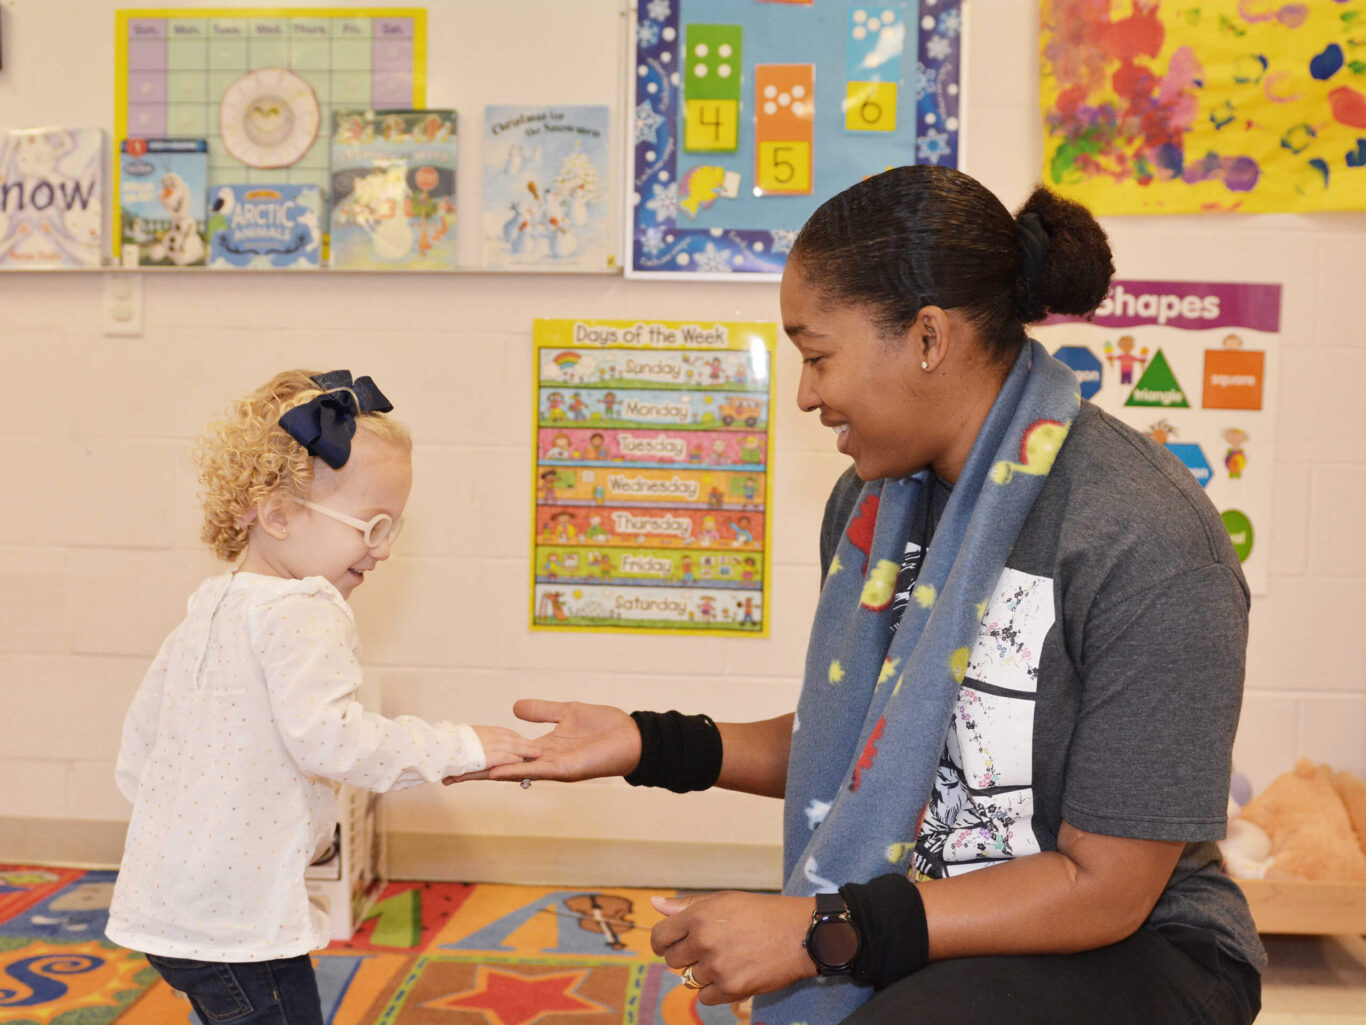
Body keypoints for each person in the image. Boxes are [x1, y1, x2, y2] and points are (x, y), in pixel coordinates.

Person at [466, 166, 1264, 1024]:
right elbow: (867, 743)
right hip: (931, 912)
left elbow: (1104, 890)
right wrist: (647, 743)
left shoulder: (1146, 539)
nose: (807, 393)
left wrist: (824, 930)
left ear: (927, 338)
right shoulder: (871, 507)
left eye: (816, 356)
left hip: (1143, 944)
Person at [106, 370, 538, 1025]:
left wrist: (190, 846)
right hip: (237, 922)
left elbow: (139, 747)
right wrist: (462, 746)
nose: (385, 549)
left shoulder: (212, 603)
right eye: (372, 525)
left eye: (395, 528)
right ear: (277, 513)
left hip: (166, 902)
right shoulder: (307, 607)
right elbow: (335, 740)